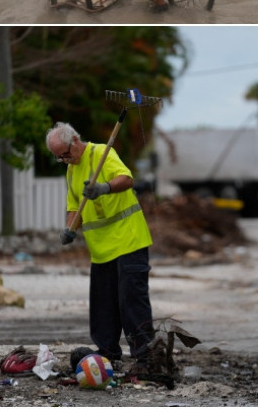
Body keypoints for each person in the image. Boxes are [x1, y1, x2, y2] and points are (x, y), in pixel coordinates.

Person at [47, 121, 155, 369]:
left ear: (75, 140)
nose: (65, 160)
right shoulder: (71, 169)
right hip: (101, 250)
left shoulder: (102, 153)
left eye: (65, 154)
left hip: (128, 240)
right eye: (59, 158)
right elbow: (75, 206)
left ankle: (146, 355)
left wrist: (104, 188)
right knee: (103, 304)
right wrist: (69, 229)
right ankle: (107, 353)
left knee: (131, 300)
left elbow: (126, 179)